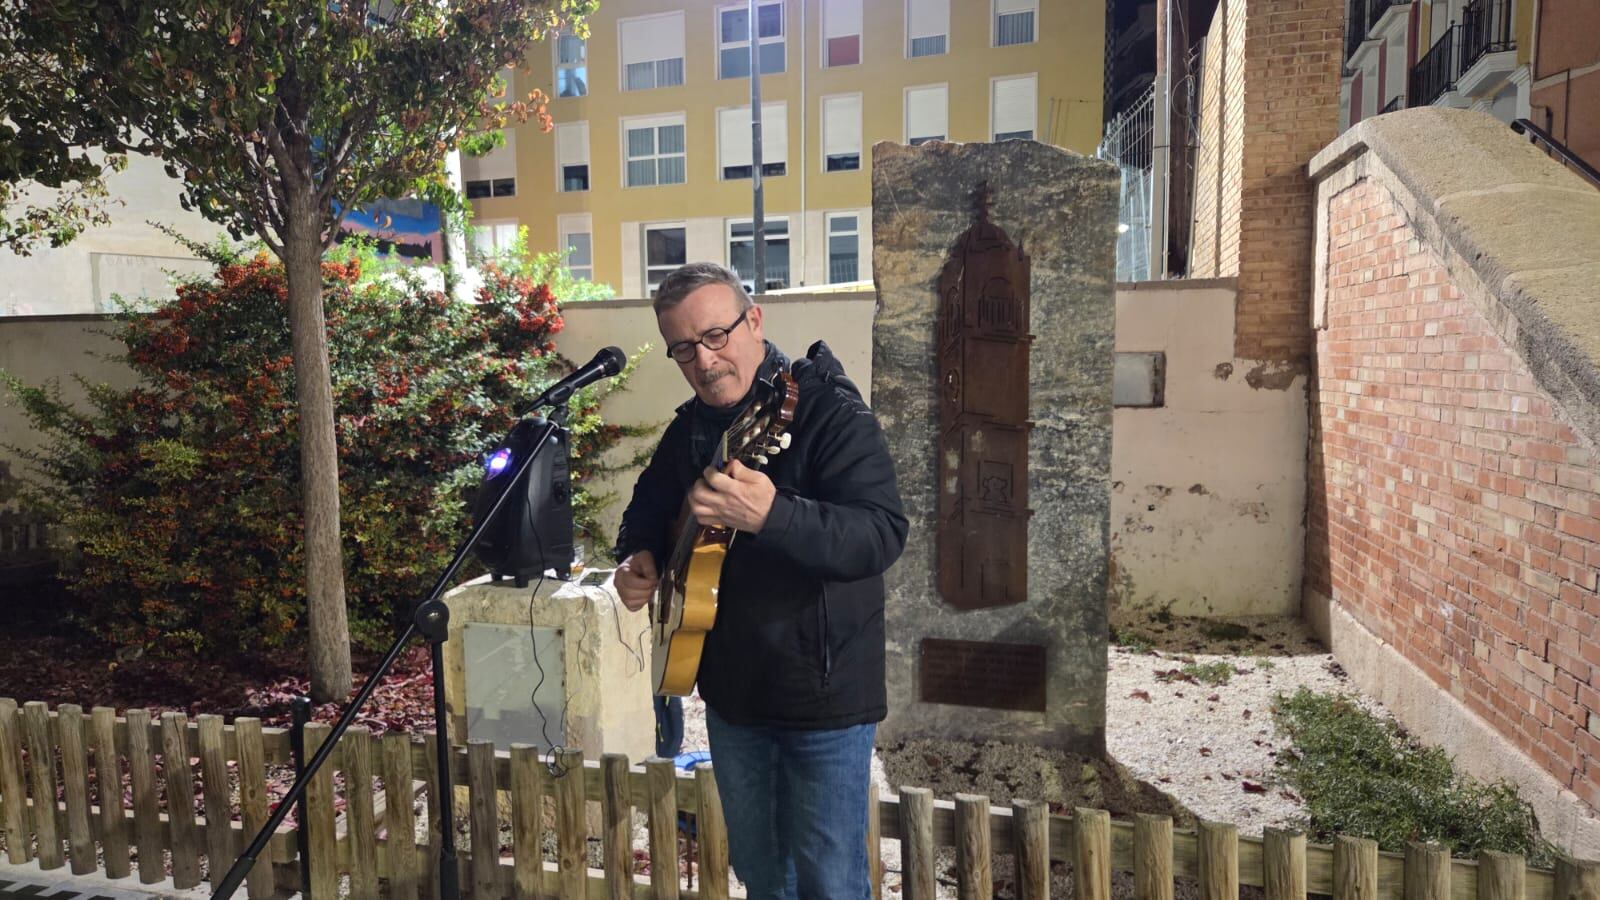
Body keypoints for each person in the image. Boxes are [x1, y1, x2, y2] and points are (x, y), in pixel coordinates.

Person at [612, 262, 908, 899]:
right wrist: (639, 556)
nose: (705, 361)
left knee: (830, 883)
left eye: (717, 335)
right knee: (762, 875)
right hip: (733, 697)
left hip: (824, 697)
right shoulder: (692, 426)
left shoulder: (829, 411)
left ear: (754, 321)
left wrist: (774, 514)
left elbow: (881, 533)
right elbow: (647, 504)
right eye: (684, 349)